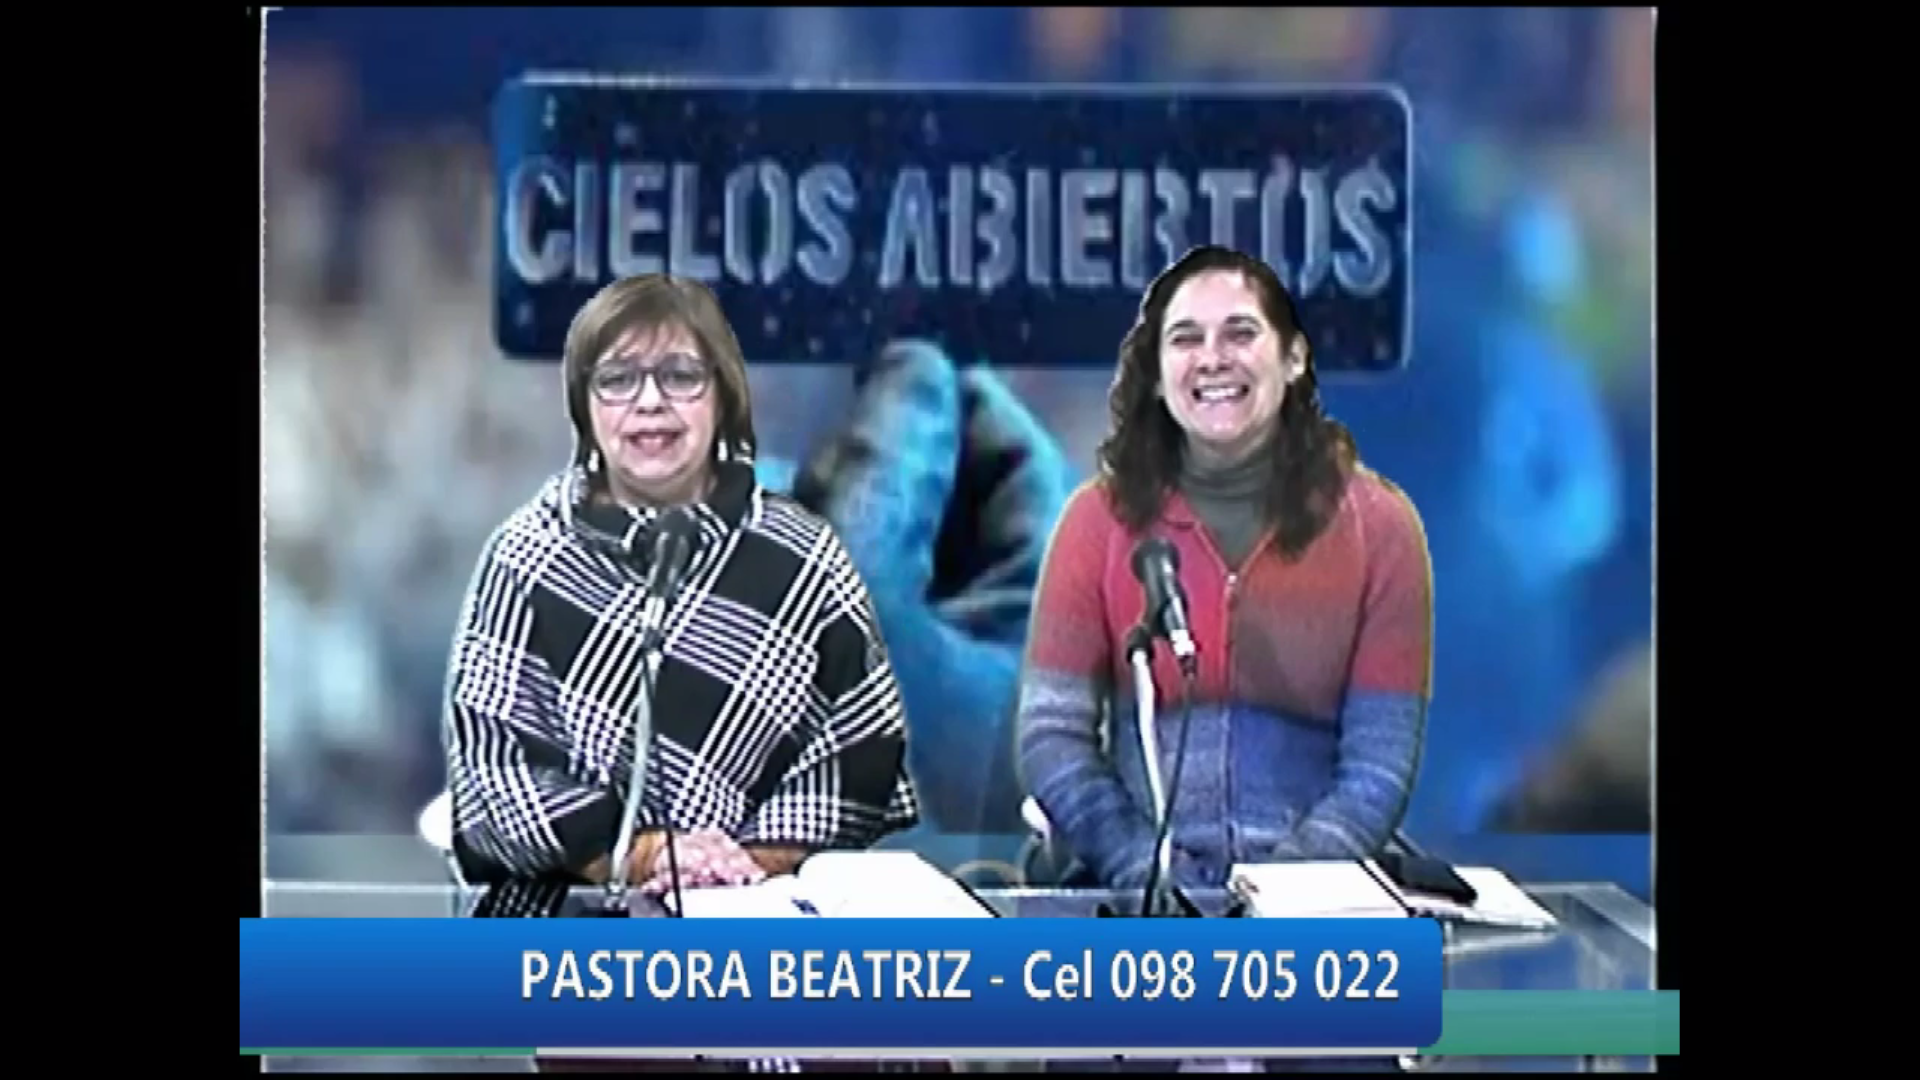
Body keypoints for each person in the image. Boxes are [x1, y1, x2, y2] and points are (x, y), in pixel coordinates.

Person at [442, 273, 919, 892]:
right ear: (584, 404)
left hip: (760, 919)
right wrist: (641, 855)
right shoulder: (526, 558)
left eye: (680, 376)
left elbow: (859, 755)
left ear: (723, 395)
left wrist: (741, 865)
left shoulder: (804, 556)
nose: (649, 401)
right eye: (618, 379)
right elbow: (492, 778)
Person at [1016, 244, 1436, 894]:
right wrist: (1140, 868)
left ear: (1294, 358)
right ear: (1158, 375)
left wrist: (1287, 892)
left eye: (1240, 333)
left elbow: (1378, 769)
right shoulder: (1095, 522)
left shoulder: (1381, 528)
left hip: (1318, 910)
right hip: (1139, 903)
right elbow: (1052, 735)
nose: (1213, 358)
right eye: (1186, 339)